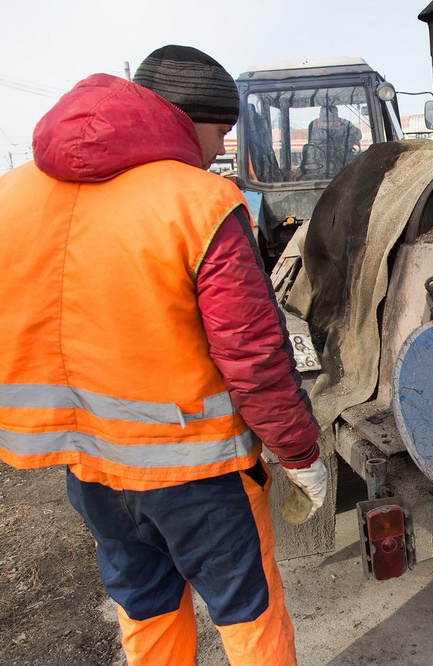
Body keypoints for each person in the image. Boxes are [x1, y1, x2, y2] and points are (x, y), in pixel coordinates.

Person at [0, 45, 328, 665]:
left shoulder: (10, 196)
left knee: (146, 611)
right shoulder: (200, 200)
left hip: (92, 470)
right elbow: (253, 358)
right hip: (200, 475)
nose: (216, 148)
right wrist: (300, 452)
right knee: (250, 617)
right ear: (188, 118)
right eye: (219, 131)